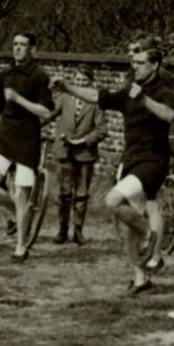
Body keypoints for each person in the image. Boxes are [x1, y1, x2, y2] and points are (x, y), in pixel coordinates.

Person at [53, 34, 174, 294]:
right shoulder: (129, 88)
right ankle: (141, 279)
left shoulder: (164, 89)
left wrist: (143, 99)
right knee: (131, 226)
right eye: (134, 62)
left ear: (154, 65)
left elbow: (170, 114)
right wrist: (67, 87)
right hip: (131, 159)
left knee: (112, 201)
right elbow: (99, 96)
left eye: (140, 62)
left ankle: (151, 241)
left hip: (153, 162)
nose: (135, 66)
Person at [0, 33, 55, 262]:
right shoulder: (4, 75)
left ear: (32, 48)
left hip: (27, 139)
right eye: (15, 44)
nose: (18, 49)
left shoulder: (39, 76)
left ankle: (21, 247)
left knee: (22, 193)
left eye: (23, 45)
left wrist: (19, 99)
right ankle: (18, 213)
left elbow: (46, 111)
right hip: (4, 137)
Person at [50, 67, 104, 245]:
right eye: (78, 81)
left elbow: (102, 130)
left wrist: (83, 140)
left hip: (84, 154)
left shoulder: (96, 104)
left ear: (90, 84)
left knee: (81, 194)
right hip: (64, 151)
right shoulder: (65, 98)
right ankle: (62, 230)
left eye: (84, 82)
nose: (80, 84)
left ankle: (78, 231)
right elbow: (50, 114)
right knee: (64, 193)